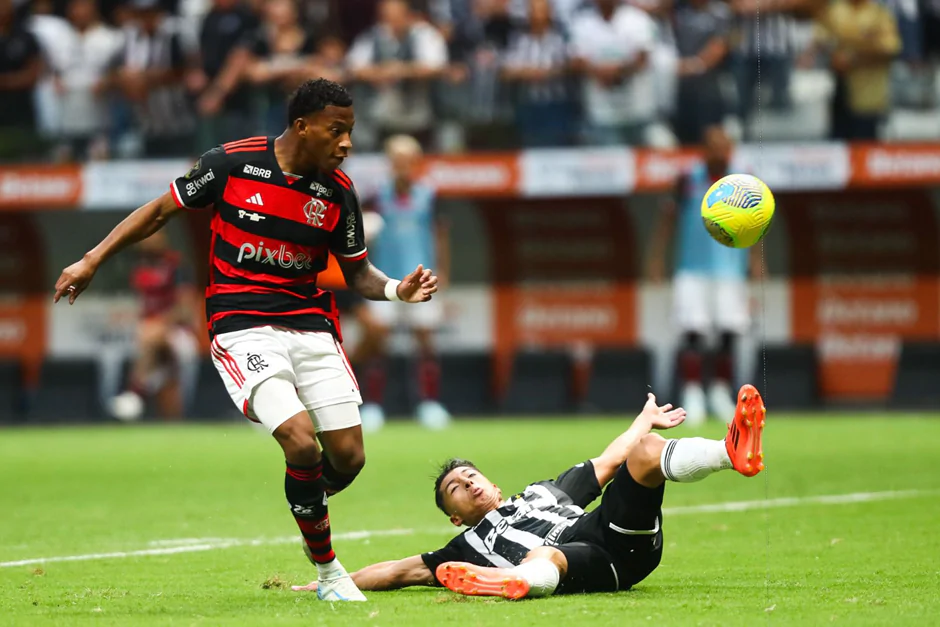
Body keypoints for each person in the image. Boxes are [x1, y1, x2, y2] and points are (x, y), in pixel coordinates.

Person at [53, 78, 439, 603]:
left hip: (311, 326)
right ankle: (328, 572)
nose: (347, 143)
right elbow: (159, 211)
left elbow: (358, 274)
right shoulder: (232, 163)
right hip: (241, 324)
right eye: (337, 131)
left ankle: (308, 512)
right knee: (300, 441)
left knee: (348, 457)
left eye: (350, 131)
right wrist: (91, 259)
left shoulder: (338, 192)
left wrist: (397, 289)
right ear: (303, 126)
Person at [292, 384, 766, 599]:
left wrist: (643, 422)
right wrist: (331, 580)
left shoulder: (545, 493)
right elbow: (396, 571)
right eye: (455, 489)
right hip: (587, 562)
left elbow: (609, 460)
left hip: (618, 534)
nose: (468, 483)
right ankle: (517, 582)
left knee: (645, 452)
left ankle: (731, 451)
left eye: (471, 476)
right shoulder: (463, 547)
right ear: (454, 517)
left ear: (492, 484)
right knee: (547, 555)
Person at [648, 125, 759, 426]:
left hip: (731, 269)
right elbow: (667, 219)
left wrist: (757, 261)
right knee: (692, 332)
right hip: (691, 269)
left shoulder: (742, 182)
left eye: (724, 147)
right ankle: (693, 392)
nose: (720, 153)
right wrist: (657, 258)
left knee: (729, 331)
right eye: (713, 146)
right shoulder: (687, 180)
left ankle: (720, 392)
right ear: (704, 150)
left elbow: (756, 223)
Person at [354, 134, 451, 432]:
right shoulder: (375, 197)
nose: (403, 167)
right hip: (384, 282)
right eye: (397, 161)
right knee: (377, 343)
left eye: (408, 161)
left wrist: (444, 271)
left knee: (425, 341)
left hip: (422, 279)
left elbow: (440, 236)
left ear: (417, 163)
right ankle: (372, 407)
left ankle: (429, 404)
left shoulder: (430, 197)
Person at [108, 230, 201, 421]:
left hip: (179, 333)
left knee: (151, 337)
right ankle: (166, 420)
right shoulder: (140, 268)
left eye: (154, 237)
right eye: (146, 238)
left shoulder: (176, 266)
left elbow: (186, 311)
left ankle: (134, 393)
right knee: (166, 384)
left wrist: (160, 325)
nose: (149, 242)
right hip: (150, 338)